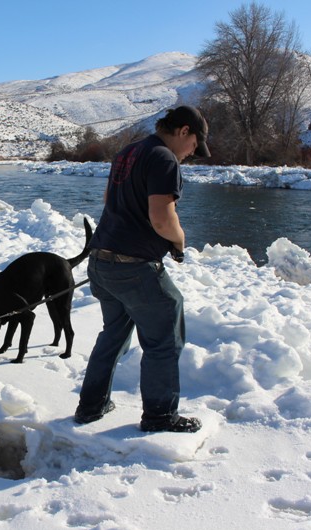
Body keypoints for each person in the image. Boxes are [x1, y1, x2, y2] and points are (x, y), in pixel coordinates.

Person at [74, 105, 210, 432]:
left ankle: (91, 406)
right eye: (194, 145)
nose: (192, 153)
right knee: (165, 331)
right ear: (183, 132)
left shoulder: (128, 152)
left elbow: (110, 199)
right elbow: (162, 218)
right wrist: (179, 241)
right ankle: (160, 417)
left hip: (101, 261)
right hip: (133, 268)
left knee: (114, 334)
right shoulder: (164, 158)